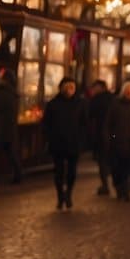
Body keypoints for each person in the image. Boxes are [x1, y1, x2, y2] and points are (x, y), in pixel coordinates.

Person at [42, 77, 87, 210]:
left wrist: (81, 140)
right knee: (58, 172)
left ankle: (69, 194)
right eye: (67, 87)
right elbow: (46, 124)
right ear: (61, 88)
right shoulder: (53, 104)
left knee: (72, 172)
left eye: (72, 87)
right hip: (58, 143)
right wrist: (50, 138)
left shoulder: (80, 104)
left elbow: (84, 124)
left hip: (74, 143)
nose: (69, 90)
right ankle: (60, 196)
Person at [106, 81, 130, 202]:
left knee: (128, 168)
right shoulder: (115, 104)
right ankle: (118, 187)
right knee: (117, 168)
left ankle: (126, 191)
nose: (129, 92)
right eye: (127, 90)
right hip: (116, 142)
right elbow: (109, 123)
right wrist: (111, 138)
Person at [0, 65, 22, 185]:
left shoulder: (1, 93)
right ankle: (18, 175)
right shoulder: (13, 94)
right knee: (11, 153)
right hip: (9, 128)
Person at [87, 80, 114, 195]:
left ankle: (105, 184)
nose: (93, 90)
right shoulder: (113, 99)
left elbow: (90, 117)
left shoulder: (95, 100)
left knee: (102, 160)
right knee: (110, 159)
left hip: (100, 134)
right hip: (113, 134)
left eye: (95, 87)